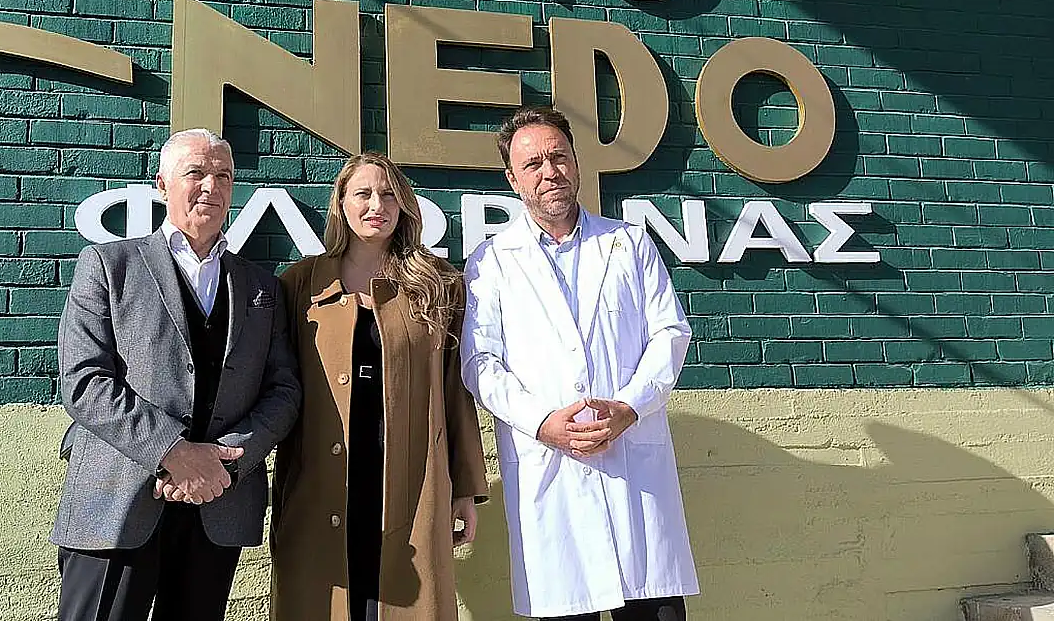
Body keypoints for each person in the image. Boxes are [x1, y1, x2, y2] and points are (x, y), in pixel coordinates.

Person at [51, 128, 302, 621]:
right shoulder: (109, 264)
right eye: (196, 173)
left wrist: (226, 462)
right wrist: (174, 453)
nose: (211, 186)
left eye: (223, 176)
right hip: (117, 500)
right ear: (162, 185)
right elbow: (84, 381)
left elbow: (284, 391)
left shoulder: (261, 286)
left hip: (218, 504)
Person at [460, 106, 698, 621]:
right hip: (552, 472)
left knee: (654, 608)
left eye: (559, 157)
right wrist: (543, 423)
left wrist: (630, 408)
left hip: (633, 465)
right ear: (512, 179)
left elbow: (670, 333)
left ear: (576, 161)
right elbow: (480, 362)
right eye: (533, 164)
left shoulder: (628, 243)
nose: (550, 171)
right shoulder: (491, 261)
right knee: (570, 602)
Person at [271, 153, 488, 621]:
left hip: (411, 482)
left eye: (389, 194)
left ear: (405, 205)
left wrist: (466, 489)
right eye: (363, 194)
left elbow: (456, 392)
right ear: (341, 205)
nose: (377, 205)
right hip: (323, 482)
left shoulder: (438, 285)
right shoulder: (300, 284)